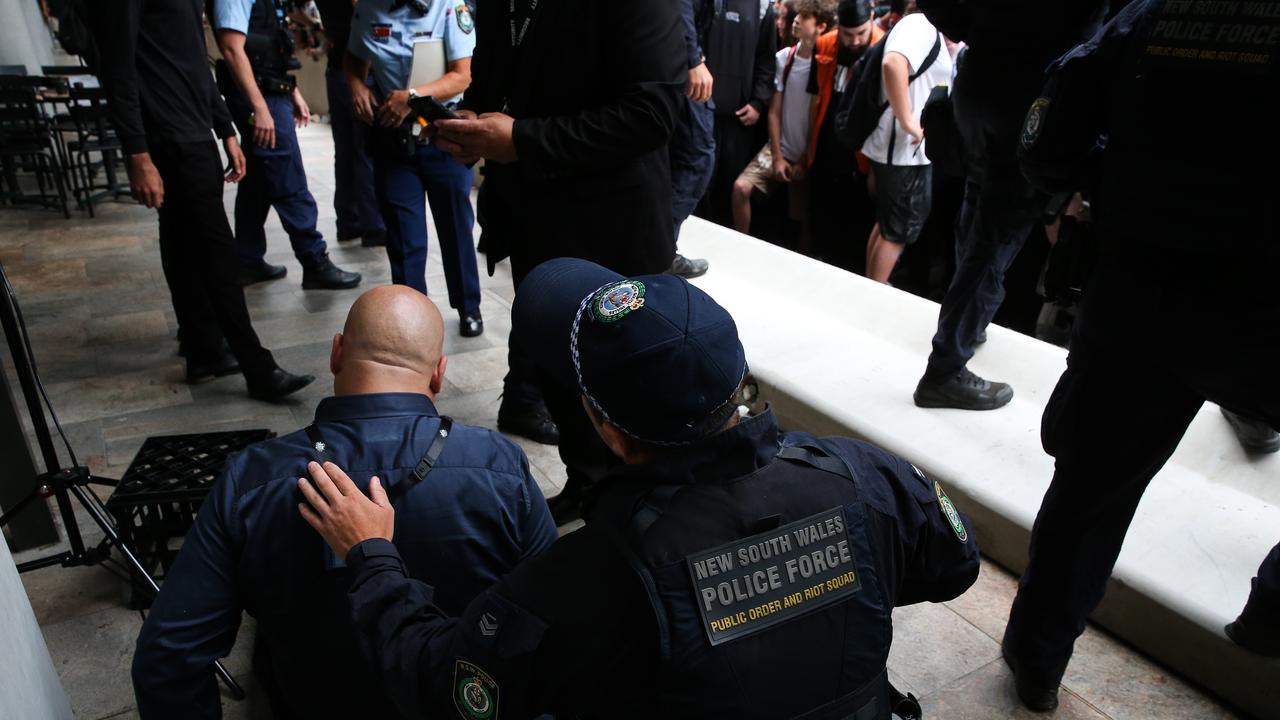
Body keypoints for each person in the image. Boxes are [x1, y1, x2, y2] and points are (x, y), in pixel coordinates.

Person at [297, 257, 982, 719]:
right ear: (738, 380)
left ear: (609, 430)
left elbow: (438, 682)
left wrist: (373, 558)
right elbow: (954, 565)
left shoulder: (581, 584)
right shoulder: (866, 477)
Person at [1003, 0, 1280, 711]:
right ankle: (1271, 616)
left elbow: (1049, 137)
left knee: (1089, 489)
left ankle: (1036, 660)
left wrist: (1112, 178)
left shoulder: (1158, 13)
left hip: (1143, 292)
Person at [130, 285, 558, 719]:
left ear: (336, 353)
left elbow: (168, 658)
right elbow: (558, 623)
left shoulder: (253, 478)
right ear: (438, 374)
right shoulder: (499, 467)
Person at [431, 0, 687, 516]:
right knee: (557, 369)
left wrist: (522, 140)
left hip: (613, 229)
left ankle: (640, 513)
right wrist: (475, 122)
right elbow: (503, 74)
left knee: (622, 385)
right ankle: (589, 485)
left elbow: (652, 113)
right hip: (531, 217)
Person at [88, 0, 314, 402]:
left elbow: (194, 59)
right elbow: (117, 68)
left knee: (180, 242)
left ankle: (204, 351)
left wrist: (225, 128)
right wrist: (137, 154)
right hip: (168, 135)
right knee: (217, 254)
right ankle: (257, 368)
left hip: (194, 129)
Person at [910, 0, 1104, 410]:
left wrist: (980, 30)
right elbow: (1098, 31)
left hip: (979, 84)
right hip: (1030, 95)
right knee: (996, 233)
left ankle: (968, 327)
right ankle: (945, 368)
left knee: (979, 201)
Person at [344, 0, 485, 338]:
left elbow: (462, 75)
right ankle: (411, 320)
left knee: (455, 227)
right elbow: (352, 59)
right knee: (405, 238)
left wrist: (411, 96)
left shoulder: (450, 7)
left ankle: (469, 307)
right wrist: (356, 85)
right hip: (393, 140)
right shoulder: (368, 8)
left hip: (441, 135)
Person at [210, 0, 362, 290]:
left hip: (271, 91)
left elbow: (270, 48)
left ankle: (246, 259)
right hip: (260, 98)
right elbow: (231, 47)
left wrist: (291, 91)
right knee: (288, 177)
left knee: (257, 179)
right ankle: (314, 260)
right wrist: (260, 107)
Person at [859, 7, 950, 284]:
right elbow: (892, 64)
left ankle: (871, 287)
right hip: (903, 149)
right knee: (897, 230)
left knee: (889, 225)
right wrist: (909, 120)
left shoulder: (924, 26)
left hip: (902, 148)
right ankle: (874, 294)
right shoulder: (922, 23)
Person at [729, 0, 831, 238]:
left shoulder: (825, 64)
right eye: (797, 15)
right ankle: (739, 240)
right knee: (740, 188)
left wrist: (804, 159)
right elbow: (775, 111)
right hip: (780, 148)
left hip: (809, 154)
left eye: (805, 17)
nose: (796, 20)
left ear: (821, 26)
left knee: (803, 213)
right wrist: (777, 156)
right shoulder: (786, 58)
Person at [805, 0, 881, 270]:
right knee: (822, 216)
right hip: (827, 142)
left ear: (872, 17)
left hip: (862, 151)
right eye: (847, 34)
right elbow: (814, 99)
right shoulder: (825, 44)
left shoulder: (884, 48)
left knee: (856, 222)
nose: (854, 40)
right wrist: (809, 146)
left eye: (861, 32)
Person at [313, 0, 386, 247]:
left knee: (345, 153)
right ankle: (373, 225)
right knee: (364, 151)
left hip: (337, 69)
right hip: (358, 74)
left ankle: (349, 221)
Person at [700, 0, 777, 227]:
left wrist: (758, 102)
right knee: (699, 179)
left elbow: (767, 59)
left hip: (740, 116)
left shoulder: (763, 6)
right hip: (702, 108)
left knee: (730, 183)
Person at [667, 0, 716, 280]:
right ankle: (660, 253)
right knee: (696, 157)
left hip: (667, 56)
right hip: (677, 62)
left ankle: (657, 249)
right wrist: (692, 59)